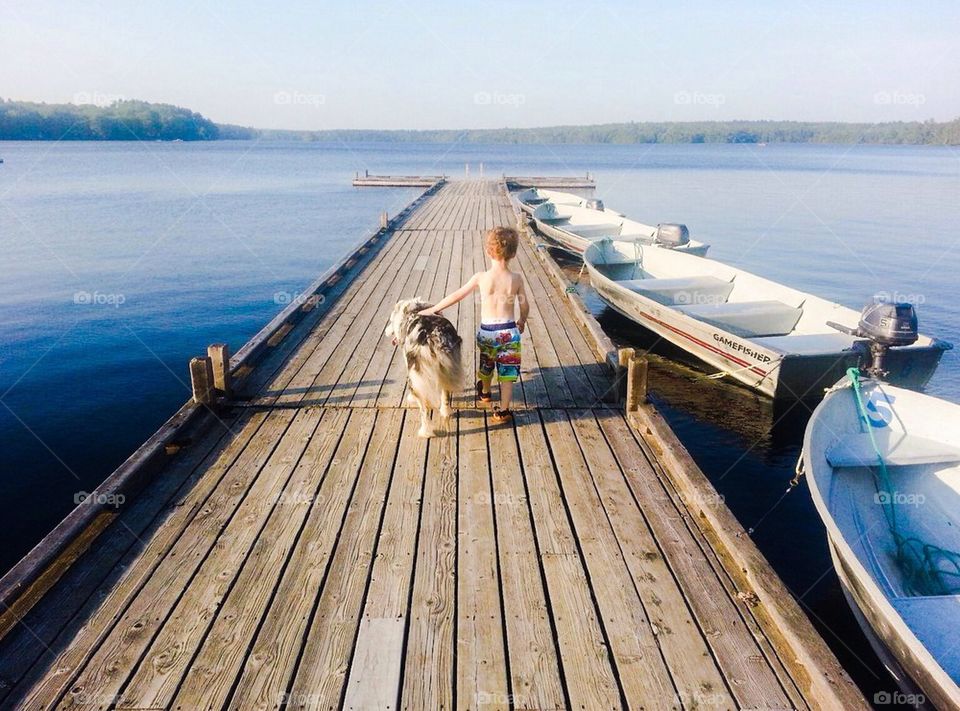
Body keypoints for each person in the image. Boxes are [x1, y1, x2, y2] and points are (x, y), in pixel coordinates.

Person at [419, 226, 529, 423]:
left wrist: (432, 309)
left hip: (488, 332)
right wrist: (521, 321)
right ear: (513, 253)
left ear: (488, 251)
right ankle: (503, 410)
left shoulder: (481, 277)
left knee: (487, 364)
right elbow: (524, 304)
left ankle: (485, 392)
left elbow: (457, 295)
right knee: (507, 372)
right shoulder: (516, 279)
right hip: (509, 331)